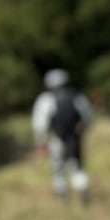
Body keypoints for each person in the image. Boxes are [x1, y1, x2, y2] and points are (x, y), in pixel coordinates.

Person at [31, 68, 93, 204]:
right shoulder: (77, 97)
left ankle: (62, 195)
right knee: (77, 166)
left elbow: (39, 124)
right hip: (74, 138)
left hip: (56, 139)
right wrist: (83, 131)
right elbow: (88, 118)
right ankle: (82, 188)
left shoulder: (45, 100)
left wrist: (41, 141)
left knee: (57, 168)